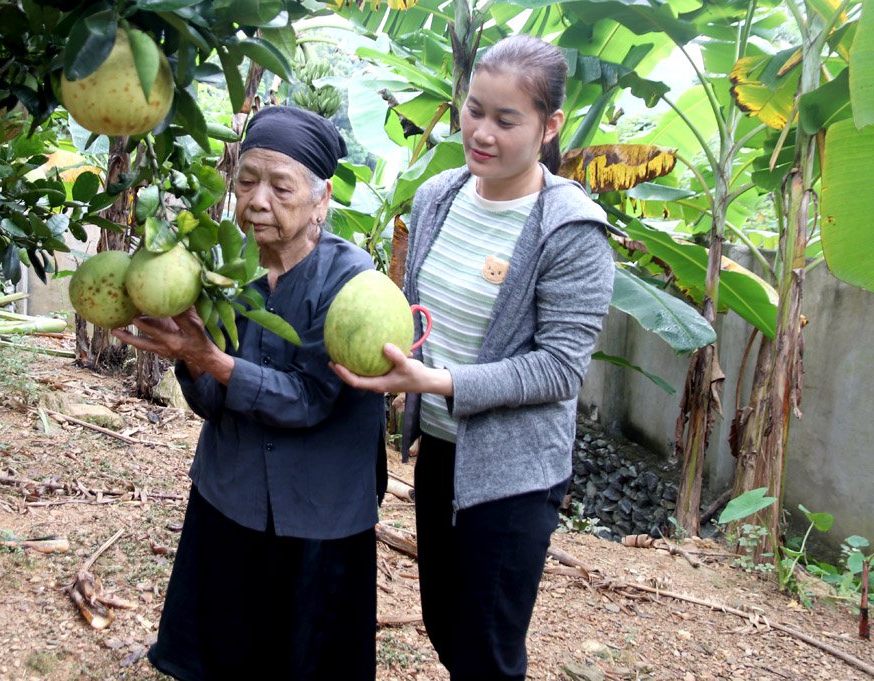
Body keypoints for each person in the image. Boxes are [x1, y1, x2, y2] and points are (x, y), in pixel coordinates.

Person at [333, 34, 616, 681]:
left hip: (514, 474)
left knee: (485, 647)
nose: (481, 131)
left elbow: (559, 367)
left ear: (550, 126)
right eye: (474, 109)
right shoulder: (438, 195)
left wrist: (435, 379)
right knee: (443, 621)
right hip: (442, 449)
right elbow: (418, 310)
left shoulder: (569, 228)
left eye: (505, 119)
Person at [113, 104, 385, 681]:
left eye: (281, 186)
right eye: (247, 181)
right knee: (228, 653)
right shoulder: (229, 276)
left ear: (321, 199)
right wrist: (188, 358)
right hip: (230, 497)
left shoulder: (352, 283)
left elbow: (311, 399)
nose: (258, 201)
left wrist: (210, 358)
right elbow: (211, 405)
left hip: (317, 514)